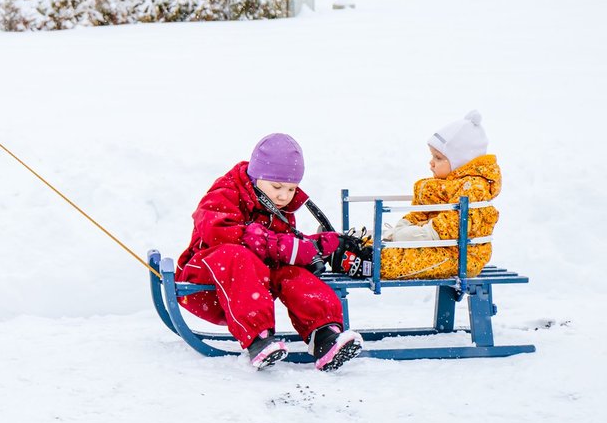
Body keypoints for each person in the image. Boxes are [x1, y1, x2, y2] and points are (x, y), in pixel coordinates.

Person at [175, 134, 363, 371]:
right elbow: (215, 230)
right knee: (238, 255)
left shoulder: (276, 206)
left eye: (291, 189)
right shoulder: (225, 192)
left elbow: (278, 246)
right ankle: (258, 339)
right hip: (206, 283)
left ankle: (325, 334)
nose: (284, 196)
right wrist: (276, 244)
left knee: (290, 272)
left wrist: (319, 246)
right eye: (276, 187)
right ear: (256, 176)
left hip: (249, 289)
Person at [379, 110, 500, 279]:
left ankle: (367, 262)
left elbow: (455, 224)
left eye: (438, 158)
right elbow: (422, 212)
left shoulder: (474, 188)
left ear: (461, 162)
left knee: (404, 262)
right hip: (440, 246)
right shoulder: (445, 186)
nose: (431, 163)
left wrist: (420, 234)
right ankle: (358, 249)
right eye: (432, 156)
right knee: (392, 248)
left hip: (462, 255)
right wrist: (406, 225)